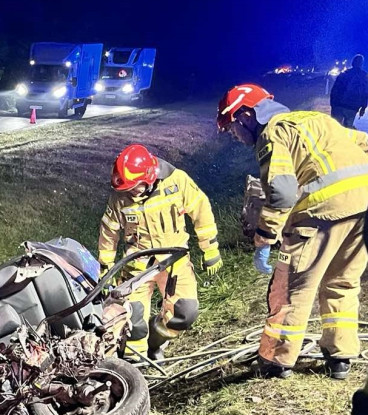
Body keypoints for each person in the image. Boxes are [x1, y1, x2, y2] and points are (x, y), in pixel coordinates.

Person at [217, 83, 368, 379]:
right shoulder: (316, 119)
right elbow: (363, 142)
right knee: (343, 282)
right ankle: (341, 357)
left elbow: (283, 192)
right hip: (363, 208)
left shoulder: (273, 133)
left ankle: (277, 360)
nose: (234, 136)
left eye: (232, 126)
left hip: (320, 214)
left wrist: (265, 236)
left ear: (247, 115)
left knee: (291, 289)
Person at [97, 144, 220, 361]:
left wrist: (210, 248)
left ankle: (155, 342)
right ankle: (134, 370)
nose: (129, 192)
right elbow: (109, 230)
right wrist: (105, 268)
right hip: (137, 268)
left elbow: (201, 211)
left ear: (149, 177)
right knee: (132, 324)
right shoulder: (120, 197)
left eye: (134, 187)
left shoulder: (177, 181)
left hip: (175, 262)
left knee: (184, 314)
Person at [331, 55, 368, 128]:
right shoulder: (364, 76)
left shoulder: (344, 74)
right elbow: (365, 93)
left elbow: (335, 90)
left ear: (352, 63)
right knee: (348, 128)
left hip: (339, 105)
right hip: (353, 107)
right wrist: (363, 108)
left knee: (335, 128)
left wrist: (333, 104)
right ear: (361, 64)